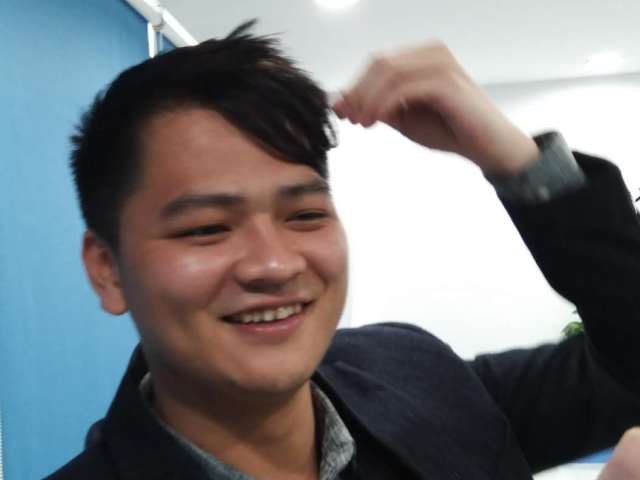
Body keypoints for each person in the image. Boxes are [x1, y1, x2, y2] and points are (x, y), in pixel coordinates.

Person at [46, 20, 640, 479]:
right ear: (107, 270)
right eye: (206, 228)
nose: (275, 264)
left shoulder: (415, 376)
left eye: (305, 215)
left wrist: (519, 162)